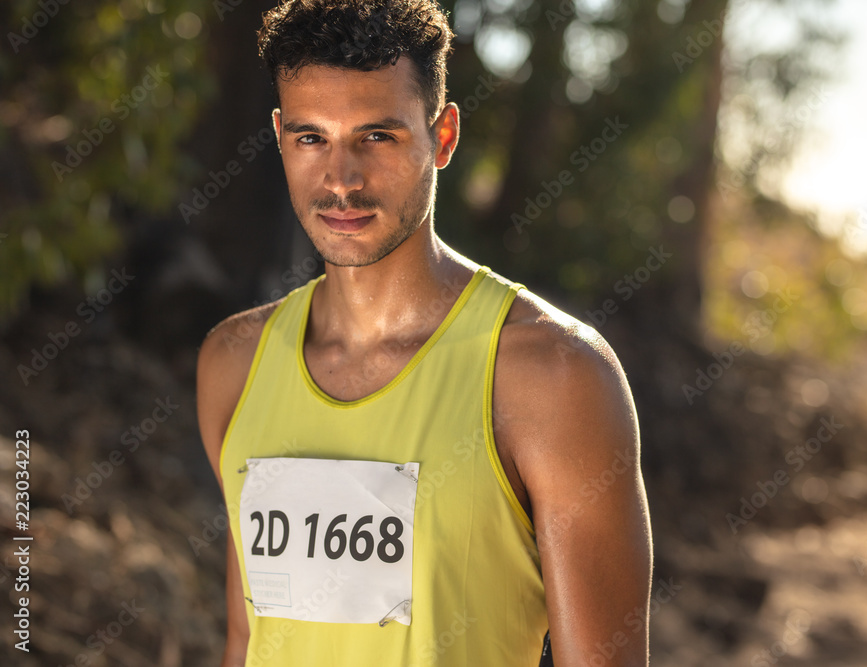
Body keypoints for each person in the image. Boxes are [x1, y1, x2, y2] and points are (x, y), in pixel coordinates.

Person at [195, 1, 653, 665]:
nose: (341, 180)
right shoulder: (233, 363)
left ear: (442, 135)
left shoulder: (552, 374)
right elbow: (248, 639)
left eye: (377, 137)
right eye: (311, 138)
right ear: (279, 136)